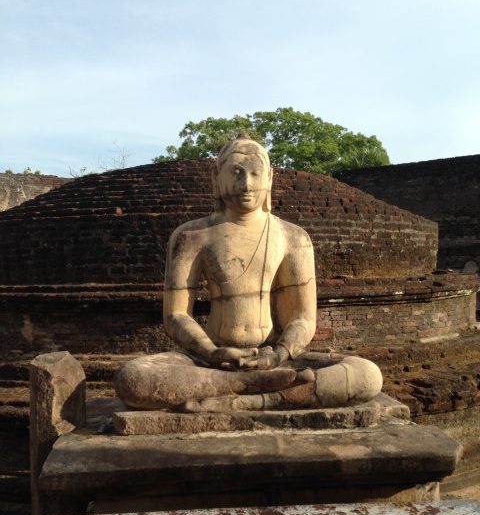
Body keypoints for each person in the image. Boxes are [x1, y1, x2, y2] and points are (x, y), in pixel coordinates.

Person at [114, 135, 382, 411]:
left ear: (270, 178)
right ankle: (254, 389)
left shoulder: (292, 237)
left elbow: (303, 317)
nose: (247, 185)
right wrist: (212, 351)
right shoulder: (191, 236)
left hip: (275, 357)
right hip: (211, 361)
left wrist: (279, 354)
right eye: (237, 173)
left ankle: (255, 396)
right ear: (216, 176)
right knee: (133, 378)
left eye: (256, 174)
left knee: (367, 375)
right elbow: (176, 315)